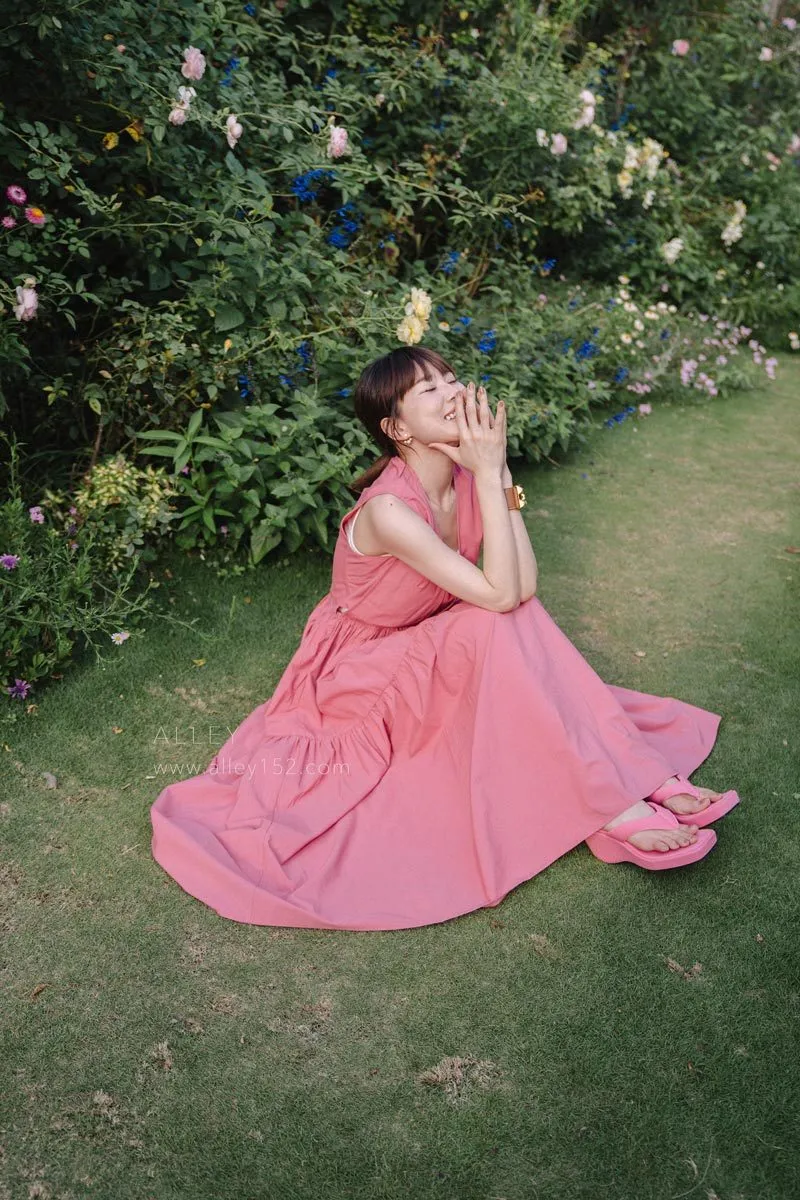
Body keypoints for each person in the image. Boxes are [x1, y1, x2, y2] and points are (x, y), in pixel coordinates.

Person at [149, 346, 740, 931]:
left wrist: (499, 477)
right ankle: (615, 802)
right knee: (493, 618)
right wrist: (490, 474)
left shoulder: (466, 479)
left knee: (512, 615)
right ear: (397, 428)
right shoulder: (388, 511)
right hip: (355, 674)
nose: (454, 392)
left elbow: (523, 586)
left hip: (425, 640)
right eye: (430, 389)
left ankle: (628, 779)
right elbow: (501, 595)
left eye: (452, 379)